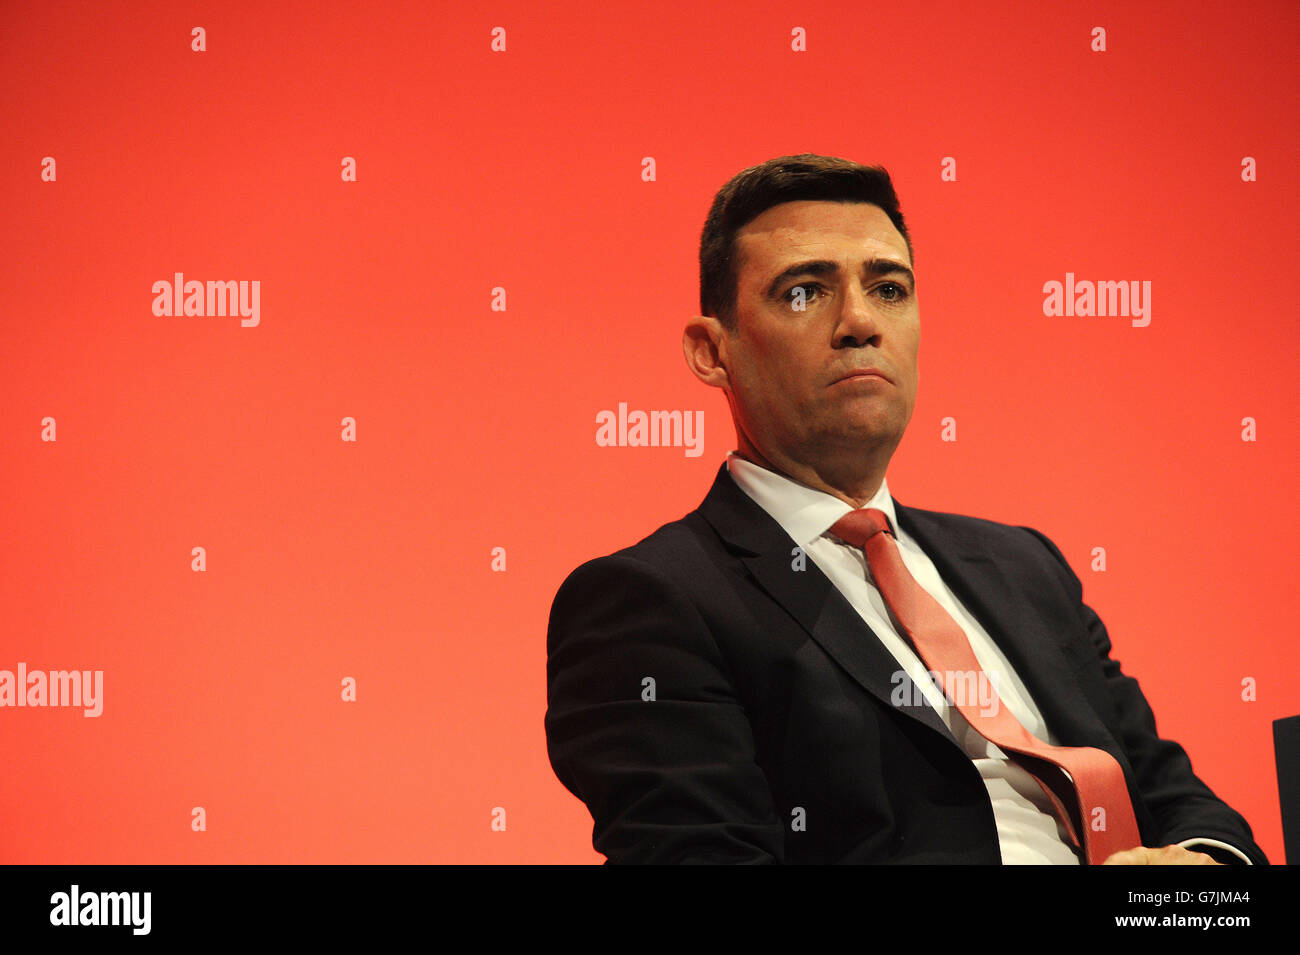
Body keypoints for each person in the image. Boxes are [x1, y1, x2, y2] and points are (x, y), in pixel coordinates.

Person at [544, 153, 1267, 865]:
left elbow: (1174, 795)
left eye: (889, 288)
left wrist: (1200, 875)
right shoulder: (649, 602)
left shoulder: (1024, 566)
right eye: (803, 292)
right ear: (712, 351)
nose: (860, 322)